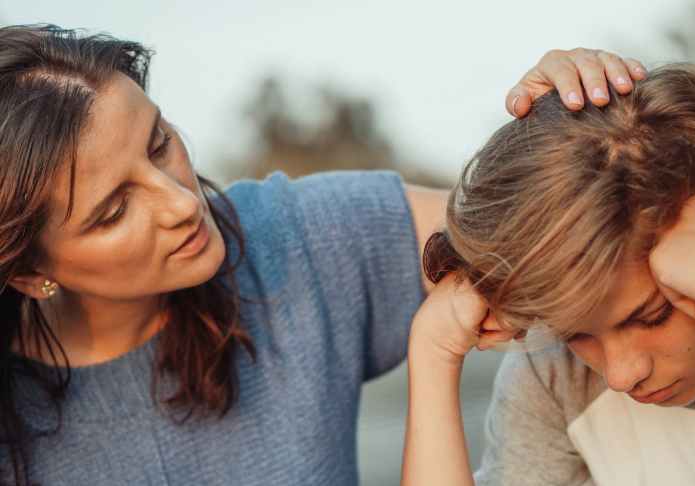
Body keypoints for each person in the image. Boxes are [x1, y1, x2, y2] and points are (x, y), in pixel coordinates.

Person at [0, 23, 647, 486]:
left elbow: (555, 227)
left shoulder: (298, 239)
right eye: (114, 211)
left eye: (159, 142)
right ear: (30, 273)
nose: (180, 203)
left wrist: (581, 130)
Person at [401, 63, 695, 486]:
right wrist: (433, 352)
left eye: (650, 317)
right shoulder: (552, 374)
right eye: (577, 335)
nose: (621, 375)